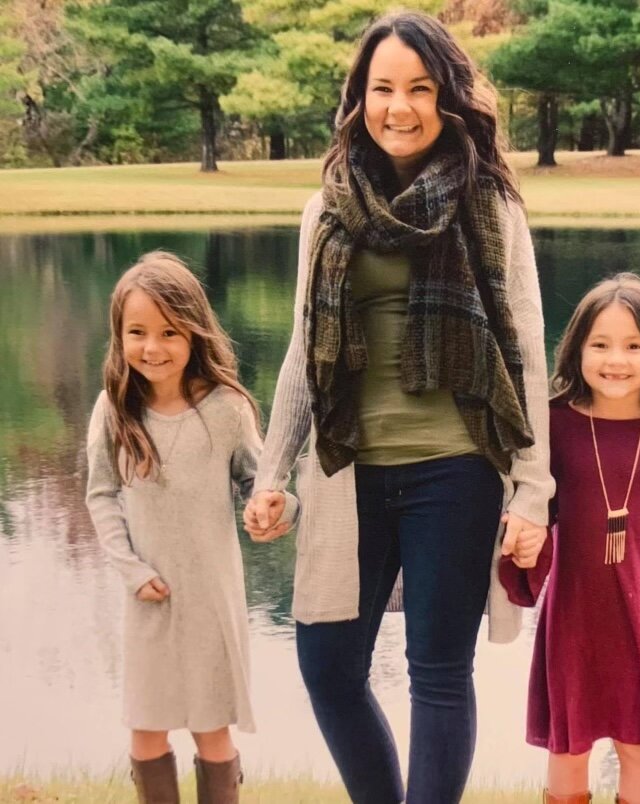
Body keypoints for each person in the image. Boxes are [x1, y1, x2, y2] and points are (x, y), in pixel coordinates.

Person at [242, 11, 553, 804]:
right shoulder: (327, 208)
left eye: (420, 88)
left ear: (448, 99)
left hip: (458, 468)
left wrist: (532, 490)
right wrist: (272, 470)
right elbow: (300, 352)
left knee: (439, 673)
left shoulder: (489, 204)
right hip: (346, 471)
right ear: (359, 98)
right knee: (328, 667)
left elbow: (524, 346)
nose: (400, 106)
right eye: (383, 88)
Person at [500, 273, 640, 804]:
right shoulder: (552, 426)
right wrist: (529, 551)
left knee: (639, 747)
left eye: (633, 346)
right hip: (572, 620)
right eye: (599, 345)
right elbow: (537, 518)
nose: (615, 360)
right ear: (576, 348)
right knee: (568, 748)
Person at [85, 251, 297, 804]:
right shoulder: (114, 410)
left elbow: (265, 482)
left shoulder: (227, 408)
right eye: (137, 332)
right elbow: (101, 495)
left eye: (168, 333)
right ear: (119, 335)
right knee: (147, 727)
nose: (151, 348)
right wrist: (130, 570)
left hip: (210, 595)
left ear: (195, 333)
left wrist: (273, 508)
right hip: (147, 596)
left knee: (212, 727)